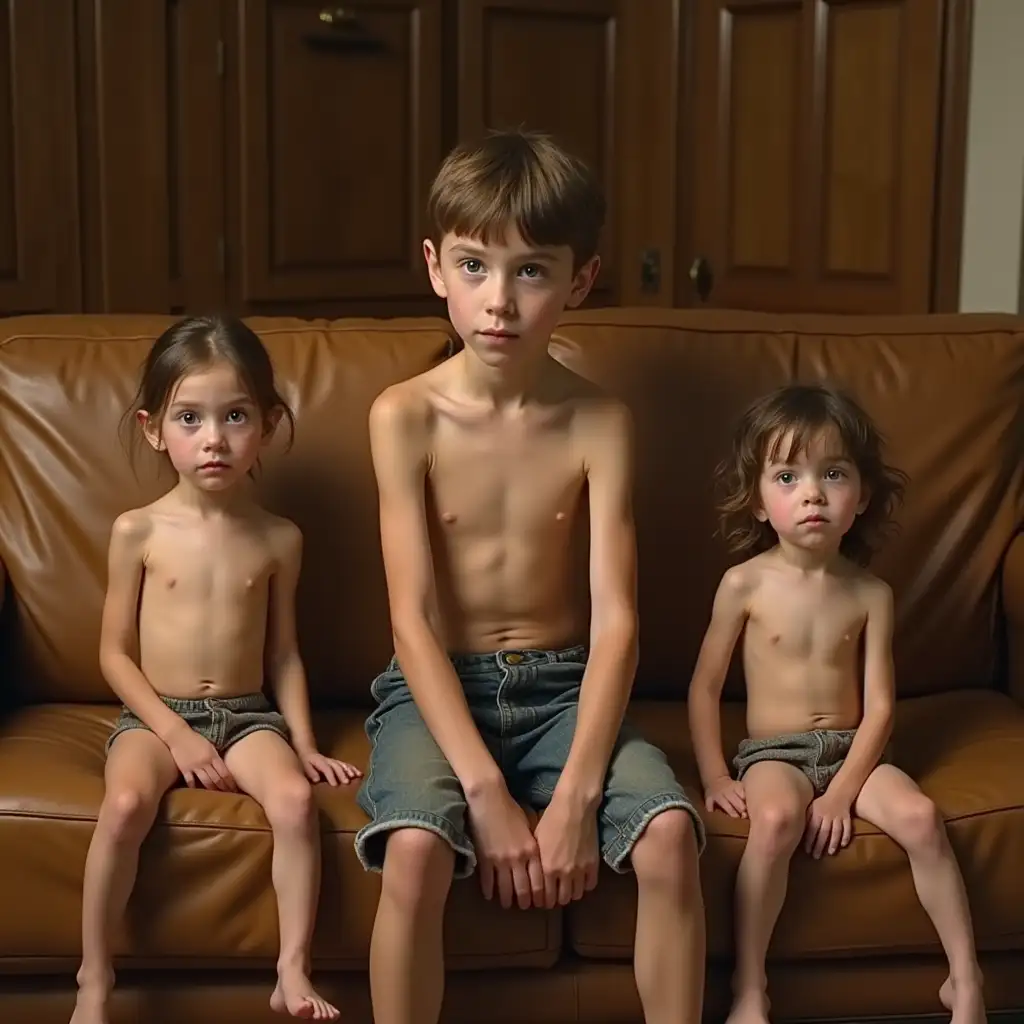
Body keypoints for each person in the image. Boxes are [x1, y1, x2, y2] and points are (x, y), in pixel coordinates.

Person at [354, 128, 706, 1024]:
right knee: (416, 854)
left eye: (531, 272)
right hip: (436, 692)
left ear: (580, 280)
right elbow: (412, 621)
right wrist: (484, 793)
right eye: (473, 267)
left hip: (565, 687)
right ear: (435, 267)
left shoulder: (600, 421)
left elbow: (618, 620)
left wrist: (581, 791)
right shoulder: (403, 417)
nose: (498, 302)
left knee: (669, 837)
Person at [70, 315, 361, 1024]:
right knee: (126, 806)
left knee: (294, 804)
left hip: (248, 713)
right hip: (157, 714)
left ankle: (291, 970)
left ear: (266, 424)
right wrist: (175, 736)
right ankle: (95, 979)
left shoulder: (278, 539)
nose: (214, 439)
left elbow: (284, 653)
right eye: (190, 419)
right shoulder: (138, 531)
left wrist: (303, 741)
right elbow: (114, 652)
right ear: (152, 429)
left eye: (235, 417)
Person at [687, 383, 986, 1024]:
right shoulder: (743, 584)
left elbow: (880, 706)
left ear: (863, 498)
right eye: (788, 476)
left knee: (921, 818)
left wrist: (843, 792)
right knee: (771, 826)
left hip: (855, 750)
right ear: (761, 502)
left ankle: (964, 981)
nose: (813, 494)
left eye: (834, 474)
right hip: (774, 753)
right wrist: (714, 773)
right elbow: (705, 686)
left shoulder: (871, 593)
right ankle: (749, 987)